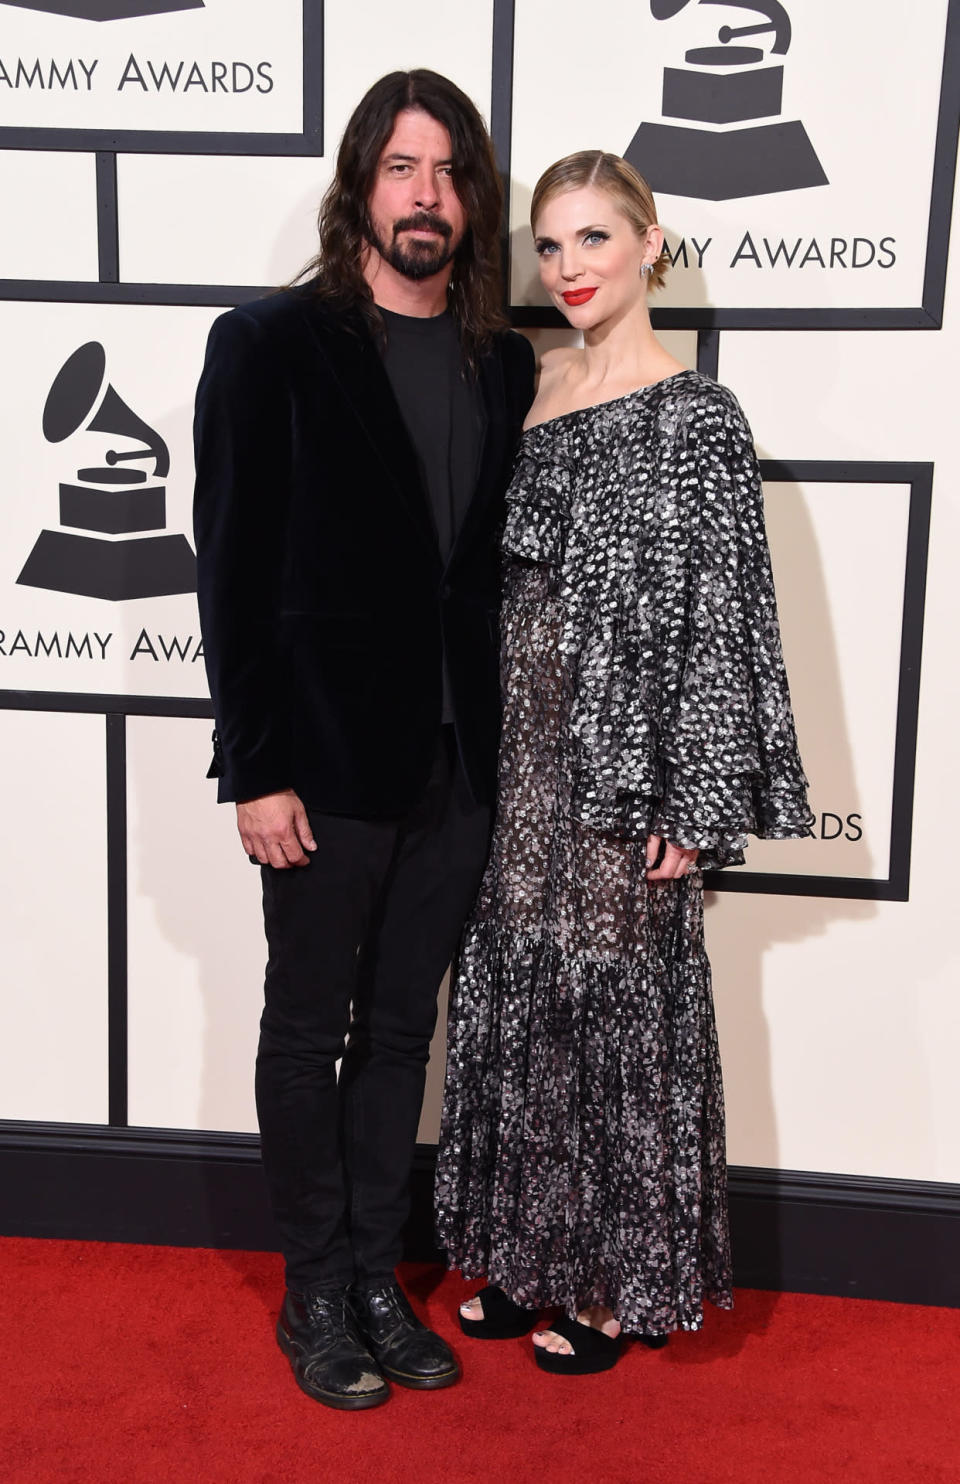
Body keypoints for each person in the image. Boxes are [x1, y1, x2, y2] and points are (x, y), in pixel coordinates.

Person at [435, 150, 812, 1374]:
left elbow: (728, 613)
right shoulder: (532, 385)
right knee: (523, 996)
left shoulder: (700, 414)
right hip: (520, 755)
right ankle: (533, 1251)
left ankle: (618, 1284)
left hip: (627, 765)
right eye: (550, 247)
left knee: (615, 1010)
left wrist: (697, 801)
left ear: (651, 244)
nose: (570, 269)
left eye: (594, 240)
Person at [193, 70, 535, 1410]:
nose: (428, 195)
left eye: (449, 173)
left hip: (459, 771)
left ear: (471, 201)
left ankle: (379, 1280)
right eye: (403, 167)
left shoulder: (500, 358)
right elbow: (231, 570)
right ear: (361, 185)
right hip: (321, 769)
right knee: (304, 1029)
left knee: (403, 1034)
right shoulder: (271, 344)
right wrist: (255, 762)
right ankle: (314, 1287)